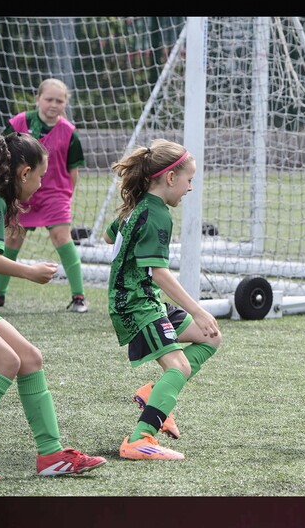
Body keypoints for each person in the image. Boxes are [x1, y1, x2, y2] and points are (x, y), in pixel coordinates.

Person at [0, 132, 106, 481]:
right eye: (41, 176)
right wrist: (28, 271)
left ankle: (52, 455)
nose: (42, 184)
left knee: (29, 358)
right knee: (6, 361)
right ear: (24, 173)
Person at [102, 139, 222, 460]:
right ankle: (140, 438)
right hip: (137, 303)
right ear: (170, 178)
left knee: (210, 338)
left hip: (143, 298)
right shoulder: (157, 216)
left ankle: (154, 395)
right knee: (179, 366)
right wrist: (197, 310)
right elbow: (159, 273)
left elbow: (108, 236)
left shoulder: (140, 207)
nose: (190, 187)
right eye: (188, 180)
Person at [0, 78, 91, 312]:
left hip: (55, 193)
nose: (53, 104)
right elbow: (1, 156)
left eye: (59, 101)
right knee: (12, 238)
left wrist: (66, 196)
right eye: (49, 99)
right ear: (38, 99)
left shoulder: (70, 132)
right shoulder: (18, 123)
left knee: (62, 237)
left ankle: (79, 297)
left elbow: (73, 171)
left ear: (65, 104)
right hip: (20, 191)